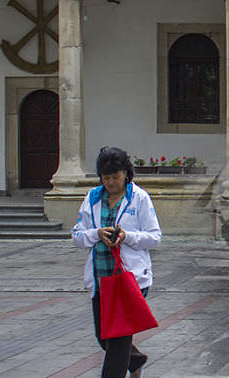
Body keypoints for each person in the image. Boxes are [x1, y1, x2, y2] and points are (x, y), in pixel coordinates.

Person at [71, 146, 162, 378]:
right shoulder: (92, 198)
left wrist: (126, 236)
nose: (111, 182)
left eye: (116, 177)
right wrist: (95, 234)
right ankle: (136, 360)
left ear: (126, 174)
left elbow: (154, 237)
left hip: (129, 281)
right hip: (101, 280)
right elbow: (77, 236)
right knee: (104, 338)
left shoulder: (139, 198)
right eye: (106, 177)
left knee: (118, 340)